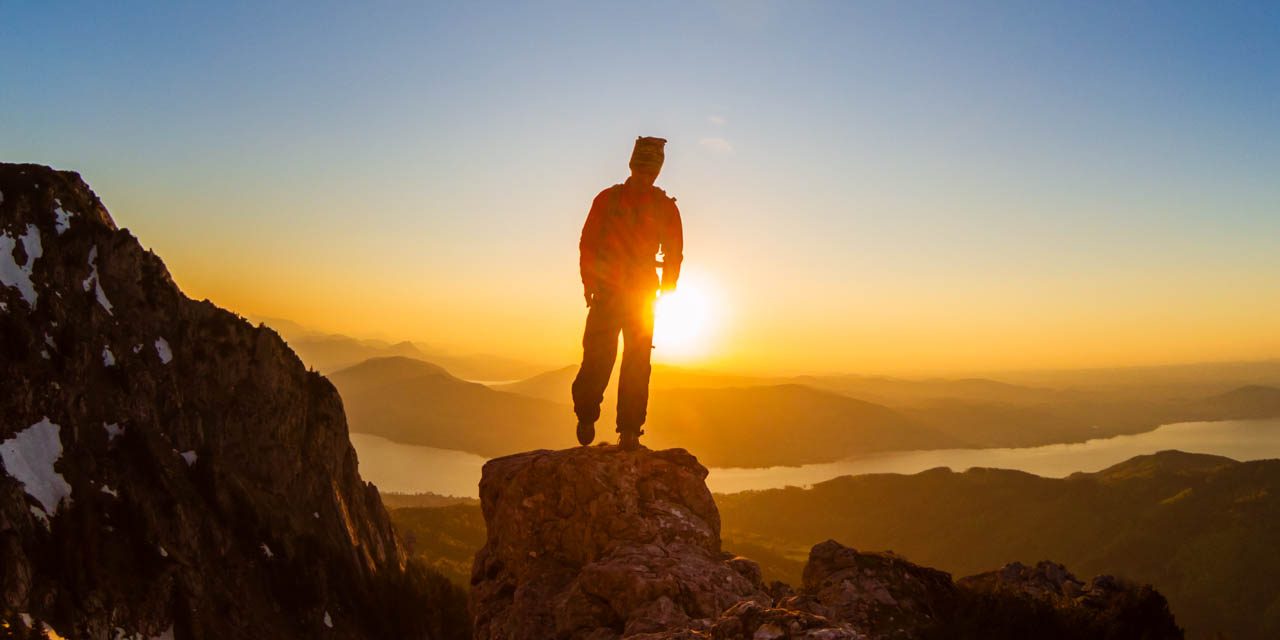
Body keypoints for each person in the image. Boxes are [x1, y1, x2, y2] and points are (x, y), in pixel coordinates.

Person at [572, 136, 683, 450]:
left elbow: (589, 244)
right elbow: (674, 251)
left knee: (617, 360)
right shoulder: (652, 205)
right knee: (614, 360)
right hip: (626, 294)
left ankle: (615, 425)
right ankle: (605, 421)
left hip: (623, 294)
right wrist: (668, 285)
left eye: (650, 169)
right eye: (646, 168)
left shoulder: (617, 201)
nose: (647, 175)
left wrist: (589, 283)